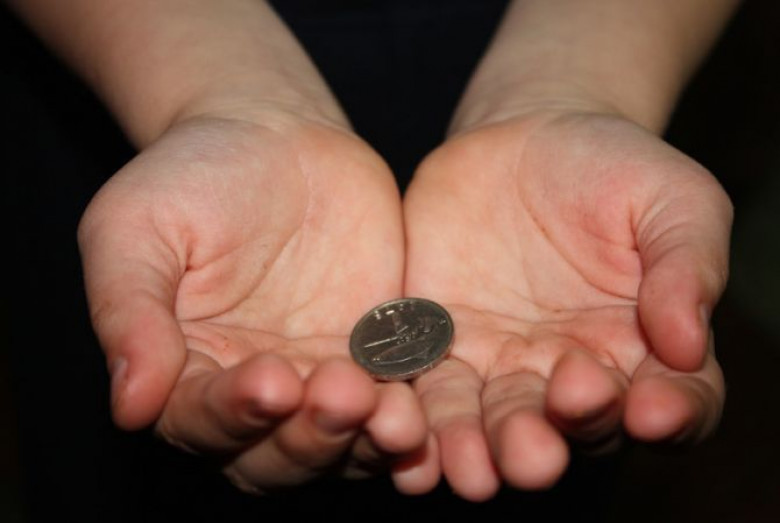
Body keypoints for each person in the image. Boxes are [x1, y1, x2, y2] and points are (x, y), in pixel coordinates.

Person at [6, 0, 739, 502]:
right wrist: (225, 100)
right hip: (131, 56)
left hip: (581, 43)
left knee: (565, 426)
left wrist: (576, 90)